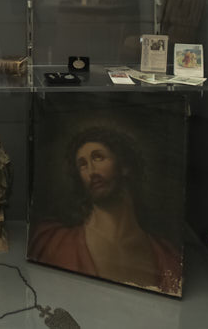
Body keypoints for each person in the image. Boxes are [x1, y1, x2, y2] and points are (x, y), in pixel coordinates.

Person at [28, 126, 182, 295]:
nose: (91, 172)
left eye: (98, 157)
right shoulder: (51, 242)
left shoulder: (168, 258)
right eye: (82, 165)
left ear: (124, 166)